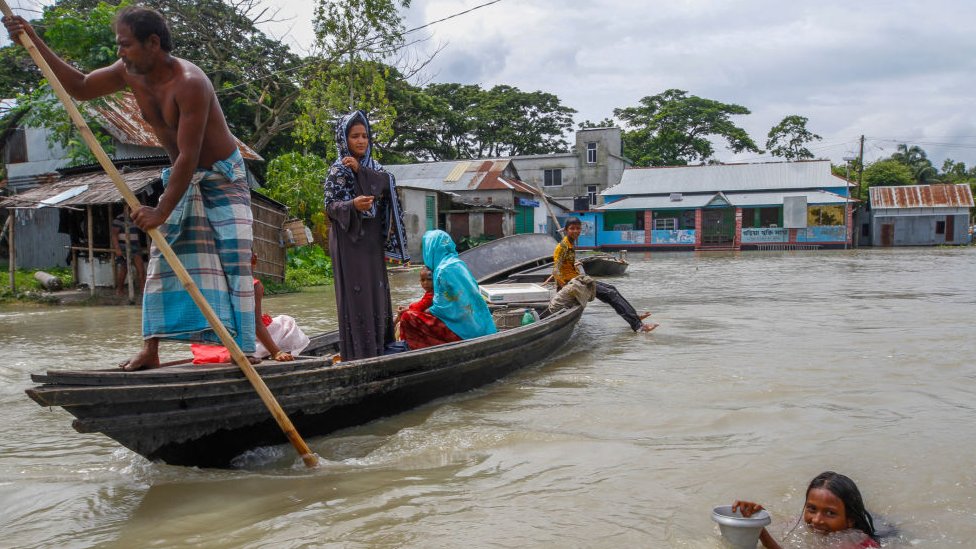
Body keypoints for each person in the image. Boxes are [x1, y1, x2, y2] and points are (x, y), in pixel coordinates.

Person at [4, 7, 256, 370]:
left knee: (234, 259)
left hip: (221, 175)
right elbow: (81, 87)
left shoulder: (191, 82)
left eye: (125, 44)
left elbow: (189, 155)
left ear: (153, 43)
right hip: (182, 173)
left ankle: (243, 349)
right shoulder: (129, 72)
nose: (120, 52)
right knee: (162, 258)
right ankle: (150, 349)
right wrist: (32, 39)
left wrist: (160, 210)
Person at [324, 110, 409, 361]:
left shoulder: (374, 167)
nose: (361, 141)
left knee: (377, 293)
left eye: (365, 136)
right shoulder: (338, 170)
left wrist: (361, 169)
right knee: (357, 295)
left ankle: (380, 348)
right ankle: (360, 353)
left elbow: (386, 182)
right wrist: (352, 205)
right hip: (350, 240)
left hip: (371, 241)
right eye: (354, 136)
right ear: (344, 139)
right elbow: (330, 206)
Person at [191, 253, 309, 364]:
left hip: (207, 347)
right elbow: (256, 324)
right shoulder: (253, 285)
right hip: (239, 346)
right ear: (254, 259)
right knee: (287, 322)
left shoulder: (214, 284)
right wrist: (276, 352)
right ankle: (278, 353)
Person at [552, 217, 657, 332]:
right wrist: (565, 288)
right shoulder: (562, 247)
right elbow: (555, 272)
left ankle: (634, 317)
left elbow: (565, 265)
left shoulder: (570, 245)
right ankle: (638, 326)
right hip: (574, 283)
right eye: (572, 228)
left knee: (612, 289)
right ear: (566, 230)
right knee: (610, 294)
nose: (576, 231)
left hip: (578, 279)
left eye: (578, 228)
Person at [398, 230, 496, 350]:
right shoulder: (458, 263)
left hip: (462, 333)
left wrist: (416, 312)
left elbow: (441, 309)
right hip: (481, 327)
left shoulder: (442, 271)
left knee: (407, 317)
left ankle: (416, 350)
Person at [733, 471, 881, 549]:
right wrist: (758, 519)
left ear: (850, 520)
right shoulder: (799, 526)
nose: (816, 520)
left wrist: (763, 534)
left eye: (830, 513)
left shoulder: (857, 544)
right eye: (812, 509)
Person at [111, 205, 146, 296]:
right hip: (123, 247)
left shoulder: (136, 219)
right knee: (124, 269)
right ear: (128, 209)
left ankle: (143, 291)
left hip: (135, 246)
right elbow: (114, 235)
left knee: (141, 269)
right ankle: (120, 290)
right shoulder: (119, 219)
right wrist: (117, 249)